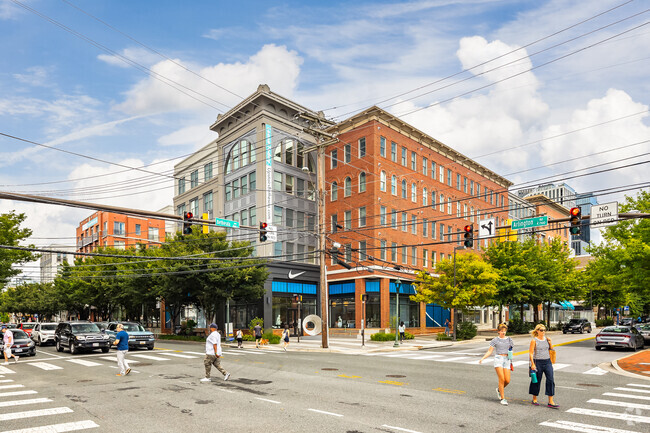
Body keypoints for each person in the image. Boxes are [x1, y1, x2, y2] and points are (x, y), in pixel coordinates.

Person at [479, 323, 514, 406]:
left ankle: (499, 390)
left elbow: (511, 350)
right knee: (501, 379)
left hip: (507, 359)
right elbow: (490, 351)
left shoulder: (509, 340)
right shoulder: (495, 340)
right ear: (498, 331)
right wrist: (483, 358)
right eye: (502, 331)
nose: (503, 333)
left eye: (505, 331)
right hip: (498, 359)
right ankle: (503, 398)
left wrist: (511, 359)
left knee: (507, 380)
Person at [529, 324, 558, 408]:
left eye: (544, 330)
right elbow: (531, 353)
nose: (543, 332)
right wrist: (533, 364)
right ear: (537, 331)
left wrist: (550, 342)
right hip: (538, 362)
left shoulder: (547, 339)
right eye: (541, 330)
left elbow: (551, 349)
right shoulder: (534, 341)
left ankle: (551, 401)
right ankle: (534, 398)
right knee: (536, 380)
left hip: (547, 361)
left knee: (550, 379)